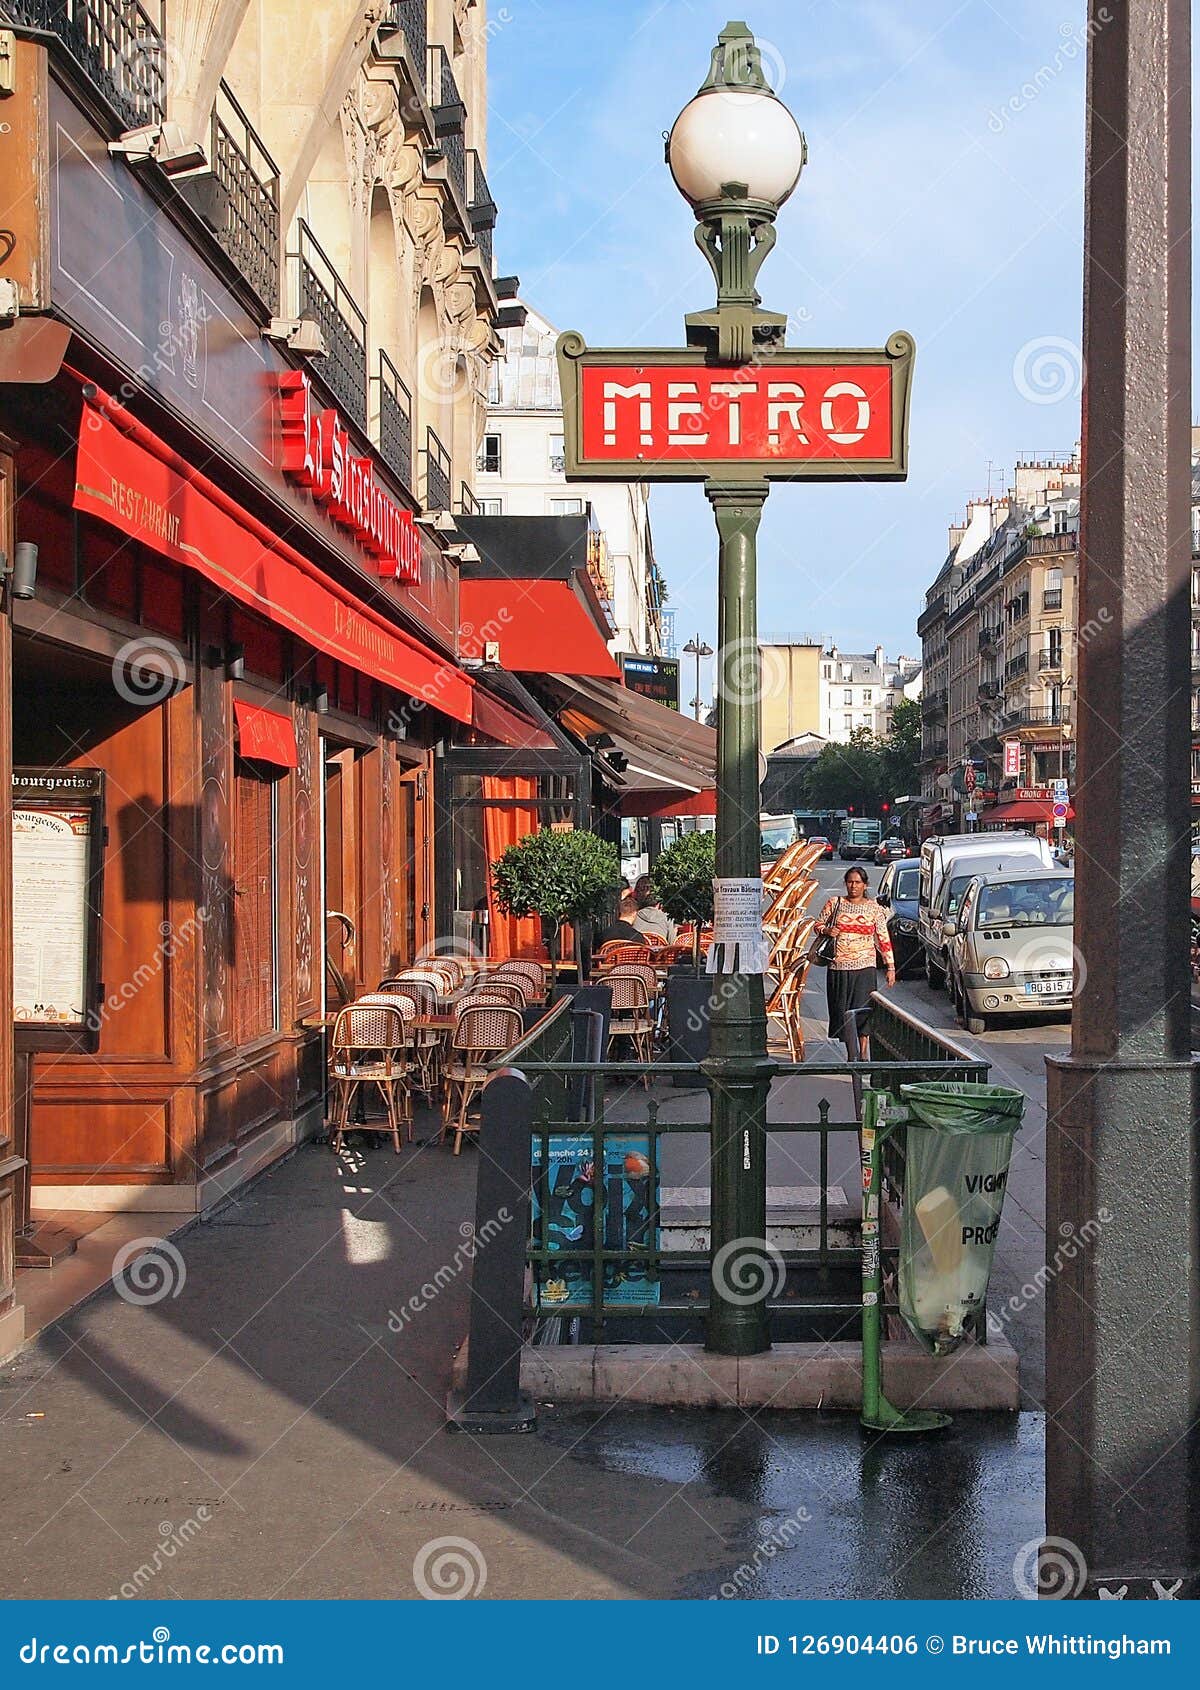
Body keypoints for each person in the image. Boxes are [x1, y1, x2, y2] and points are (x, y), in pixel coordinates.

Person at [814, 867, 895, 1068]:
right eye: (850, 882)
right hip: (839, 967)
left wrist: (890, 966)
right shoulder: (835, 903)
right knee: (843, 1010)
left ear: (865, 885)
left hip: (865, 967)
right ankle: (852, 1052)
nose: (853, 886)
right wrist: (827, 929)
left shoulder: (874, 909)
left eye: (858, 882)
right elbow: (817, 924)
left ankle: (863, 1051)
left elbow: (883, 938)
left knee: (863, 1009)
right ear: (845, 883)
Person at [631, 874, 678, 944]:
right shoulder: (667, 919)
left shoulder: (632, 918)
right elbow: (672, 945)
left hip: (637, 954)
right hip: (660, 954)